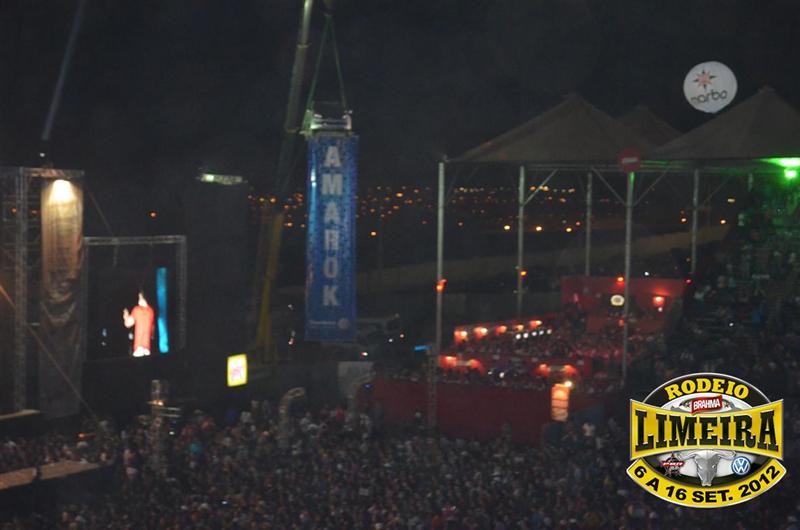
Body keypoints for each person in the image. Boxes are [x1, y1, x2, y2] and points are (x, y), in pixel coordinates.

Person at [123, 291, 155, 357]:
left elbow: (127, 324)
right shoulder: (151, 311)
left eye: (139, 297)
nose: (138, 299)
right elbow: (152, 332)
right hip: (147, 349)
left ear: (142, 297)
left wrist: (125, 316)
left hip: (138, 349)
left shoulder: (137, 310)